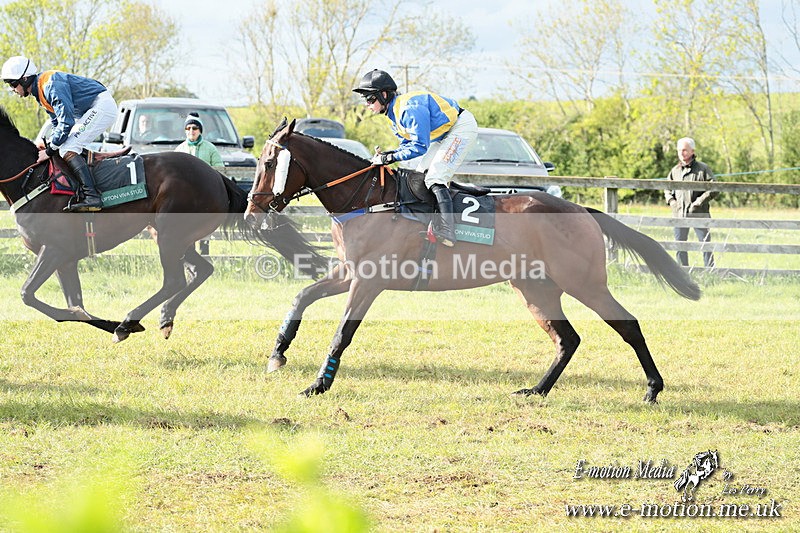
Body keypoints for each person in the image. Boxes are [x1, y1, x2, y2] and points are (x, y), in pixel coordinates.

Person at [353, 69, 478, 247]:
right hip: (444, 134)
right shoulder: (393, 114)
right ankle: (430, 222)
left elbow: (420, 146)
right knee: (419, 176)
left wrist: (389, 159)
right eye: (365, 99)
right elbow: (406, 145)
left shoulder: (408, 109)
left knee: (436, 176)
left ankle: (448, 231)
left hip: (461, 127)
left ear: (384, 95)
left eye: (370, 98)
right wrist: (388, 155)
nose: (367, 104)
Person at [2, 55, 117, 211]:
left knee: (69, 147)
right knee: (65, 145)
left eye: (13, 84)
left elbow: (67, 122)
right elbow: (57, 123)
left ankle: (92, 196)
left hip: (102, 106)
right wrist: (50, 142)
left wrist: (49, 151)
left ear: (25, 79)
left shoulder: (50, 85)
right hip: (92, 109)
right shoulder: (40, 91)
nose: (13, 89)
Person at [665, 137, 718, 268]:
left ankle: (709, 271)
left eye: (684, 150)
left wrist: (698, 202)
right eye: (679, 150)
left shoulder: (703, 169)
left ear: (692, 151)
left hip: (699, 213)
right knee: (680, 244)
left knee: (705, 244)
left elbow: (714, 188)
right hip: (679, 214)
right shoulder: (674, 171)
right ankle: (683, 272)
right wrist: (672, 202)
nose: (681, 153)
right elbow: (667, 188)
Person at [175, 112, 222, 255]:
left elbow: (220, 170)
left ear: (200, 130)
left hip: (205, 196)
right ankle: (191, 257)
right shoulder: (179, 150)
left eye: (194, 128)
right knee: (187, 228)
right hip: (186, 197)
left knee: (204, 227)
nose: (191, 131)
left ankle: (205, 255)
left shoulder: (210, 148)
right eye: (188, 128)